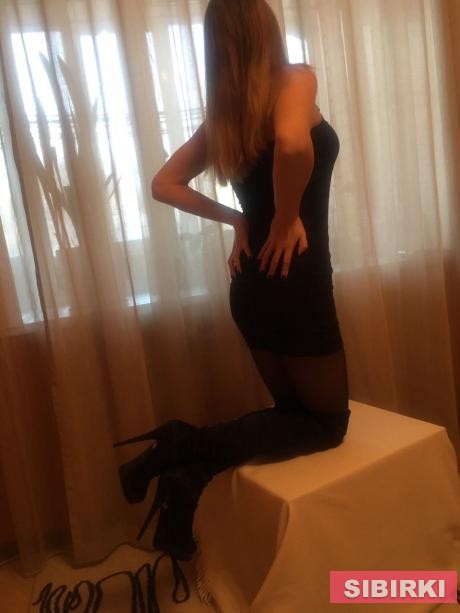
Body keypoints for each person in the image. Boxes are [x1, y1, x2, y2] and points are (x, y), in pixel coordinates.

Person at [113, 0, 351, 608]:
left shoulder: (226, 116)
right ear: (264, 26)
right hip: (296, 280)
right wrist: (286, 217)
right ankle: (183, 451)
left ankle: (187, 469)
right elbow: (293, 143)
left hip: (251, 286)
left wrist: (240, 220)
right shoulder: (295, 79)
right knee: (328, 425)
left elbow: (162, 183)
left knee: (292, 412)